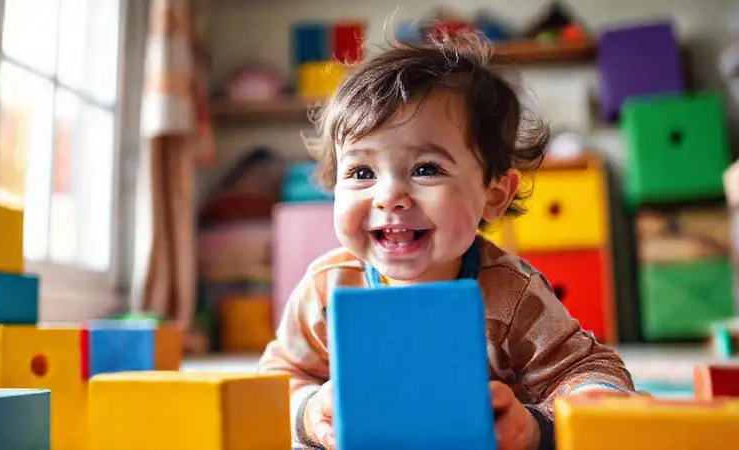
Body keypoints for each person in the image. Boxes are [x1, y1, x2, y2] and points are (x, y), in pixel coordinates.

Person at [259, 30, 635, 450]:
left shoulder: (511, 294)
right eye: (362, 173)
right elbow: (276, 383)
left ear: (494, 194)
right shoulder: (326, 287)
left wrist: (534, 426)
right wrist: (311, 412)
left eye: (426, 169)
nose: (388, 197)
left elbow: (594, 374)